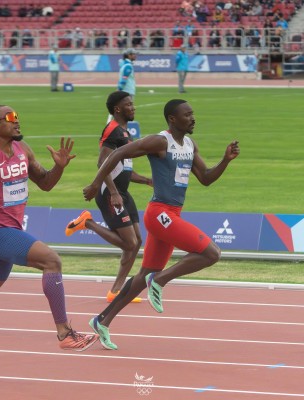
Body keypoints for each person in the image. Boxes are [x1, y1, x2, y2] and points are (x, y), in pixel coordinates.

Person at [82, 99, 240, 350]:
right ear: (172, 119)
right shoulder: (160, 141)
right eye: (187, 115)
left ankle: (102, 320)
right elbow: (117, 153)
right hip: (159, 214)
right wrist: (95, 184)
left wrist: (226, 160)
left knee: (143, 274)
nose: (193, 118)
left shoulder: (189, 144)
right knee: (211, 253)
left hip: (172, 214)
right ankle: (160, 281)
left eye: (193, 114)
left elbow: (207, 178)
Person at [0, 105, 98, 351]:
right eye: (10, 118)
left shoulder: (22, 150)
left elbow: (45, 183)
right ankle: (65, 333)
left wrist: (59, 167)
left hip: (10, 230)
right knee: (51, 261)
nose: (17, 121)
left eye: (17, 117)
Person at [65, 91, 152, 303]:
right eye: (129, 105)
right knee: (129, 244)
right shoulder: (113, 130)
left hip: (123, 193)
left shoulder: (125, 132)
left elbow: (125, 170)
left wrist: (148, 181)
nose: (133, 107)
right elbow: (102, 163)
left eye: (133, 104)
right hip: (110, 194)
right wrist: (112, 192)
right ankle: (87, 223)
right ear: (117, 109)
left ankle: (116, 291)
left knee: (137, 241)